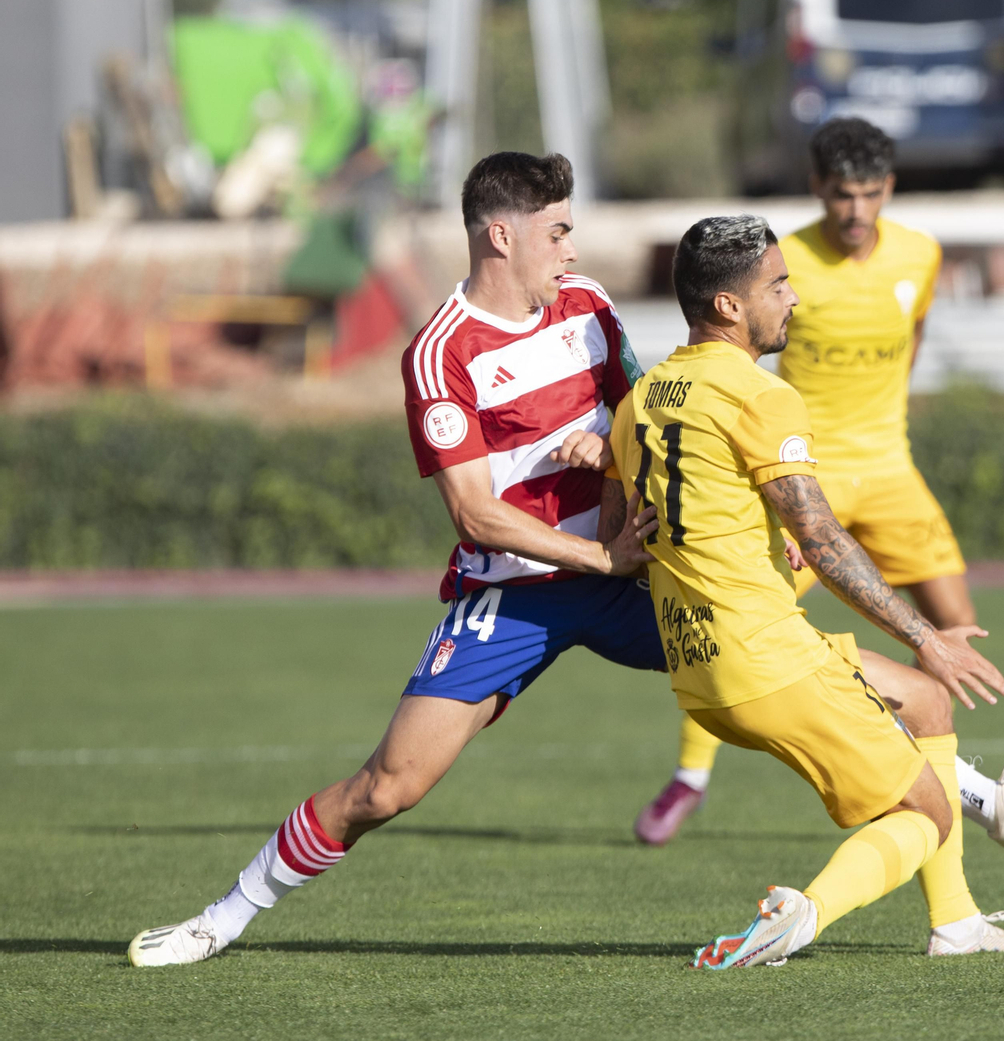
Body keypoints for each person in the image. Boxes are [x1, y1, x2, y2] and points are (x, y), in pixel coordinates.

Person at [127, 151, 662, 967]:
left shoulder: (590, 306)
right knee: (387, 787)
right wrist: (599, 554)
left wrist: (615, 456)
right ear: (500, 235)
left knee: (770, 661)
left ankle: (923, 777)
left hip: (623, 569)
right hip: (518, 596)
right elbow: (477, 514)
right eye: (557, 232)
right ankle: (221, 918)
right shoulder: (440, 352)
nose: (572, 250)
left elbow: (645, 415)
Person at [613, 215, 1004, 965]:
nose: (793, 299)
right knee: (928, 817)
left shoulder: (641, 401)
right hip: (768, 658)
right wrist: (926, 634)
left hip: (698, 669)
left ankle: (958, 924)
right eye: (777, 285)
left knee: (927, 700)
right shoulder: (761, 395)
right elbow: (823, 540)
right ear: (728, 306)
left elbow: (626, 538)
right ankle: (802, 916)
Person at [635, 117, 1004, 855]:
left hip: (891, 467)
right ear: (818, 189)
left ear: (890, 189)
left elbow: (916, 334)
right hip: (807, 474)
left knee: (956, 627)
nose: (857, 211)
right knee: (746, 608)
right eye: (843, 194)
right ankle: (691, 775)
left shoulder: (920, 256)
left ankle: (958, 819)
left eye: (871, 194)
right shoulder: (782, 260)